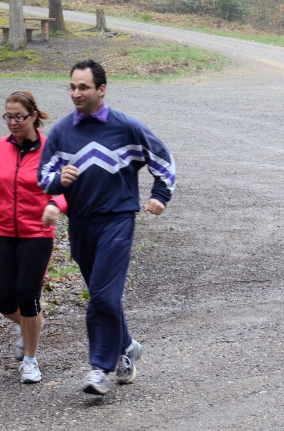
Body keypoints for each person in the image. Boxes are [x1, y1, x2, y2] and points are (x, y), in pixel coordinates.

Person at [38, 59, 176, 396]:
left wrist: (160, 195)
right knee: (105, 297)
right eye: (72, 86)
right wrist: (59, 180)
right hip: (81, 224)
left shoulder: (125, 127)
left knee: (101, 293)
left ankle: (99, 368)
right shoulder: (61, 132)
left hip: (117, 220)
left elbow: (164, 161)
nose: (76, 93)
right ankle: (126, 346)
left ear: (101, 89)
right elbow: (43, 177)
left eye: (83, 87)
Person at [0, 91, 53, 384]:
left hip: (37, 232)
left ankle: (30, 360)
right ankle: (33, 324)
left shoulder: (50, 148)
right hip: (2, 230)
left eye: (19, 117)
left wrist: (56, 205)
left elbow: (64, 186)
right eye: (8, 116)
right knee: (4, 300)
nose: (13, 122)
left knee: (27, 295)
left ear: (33, 116)